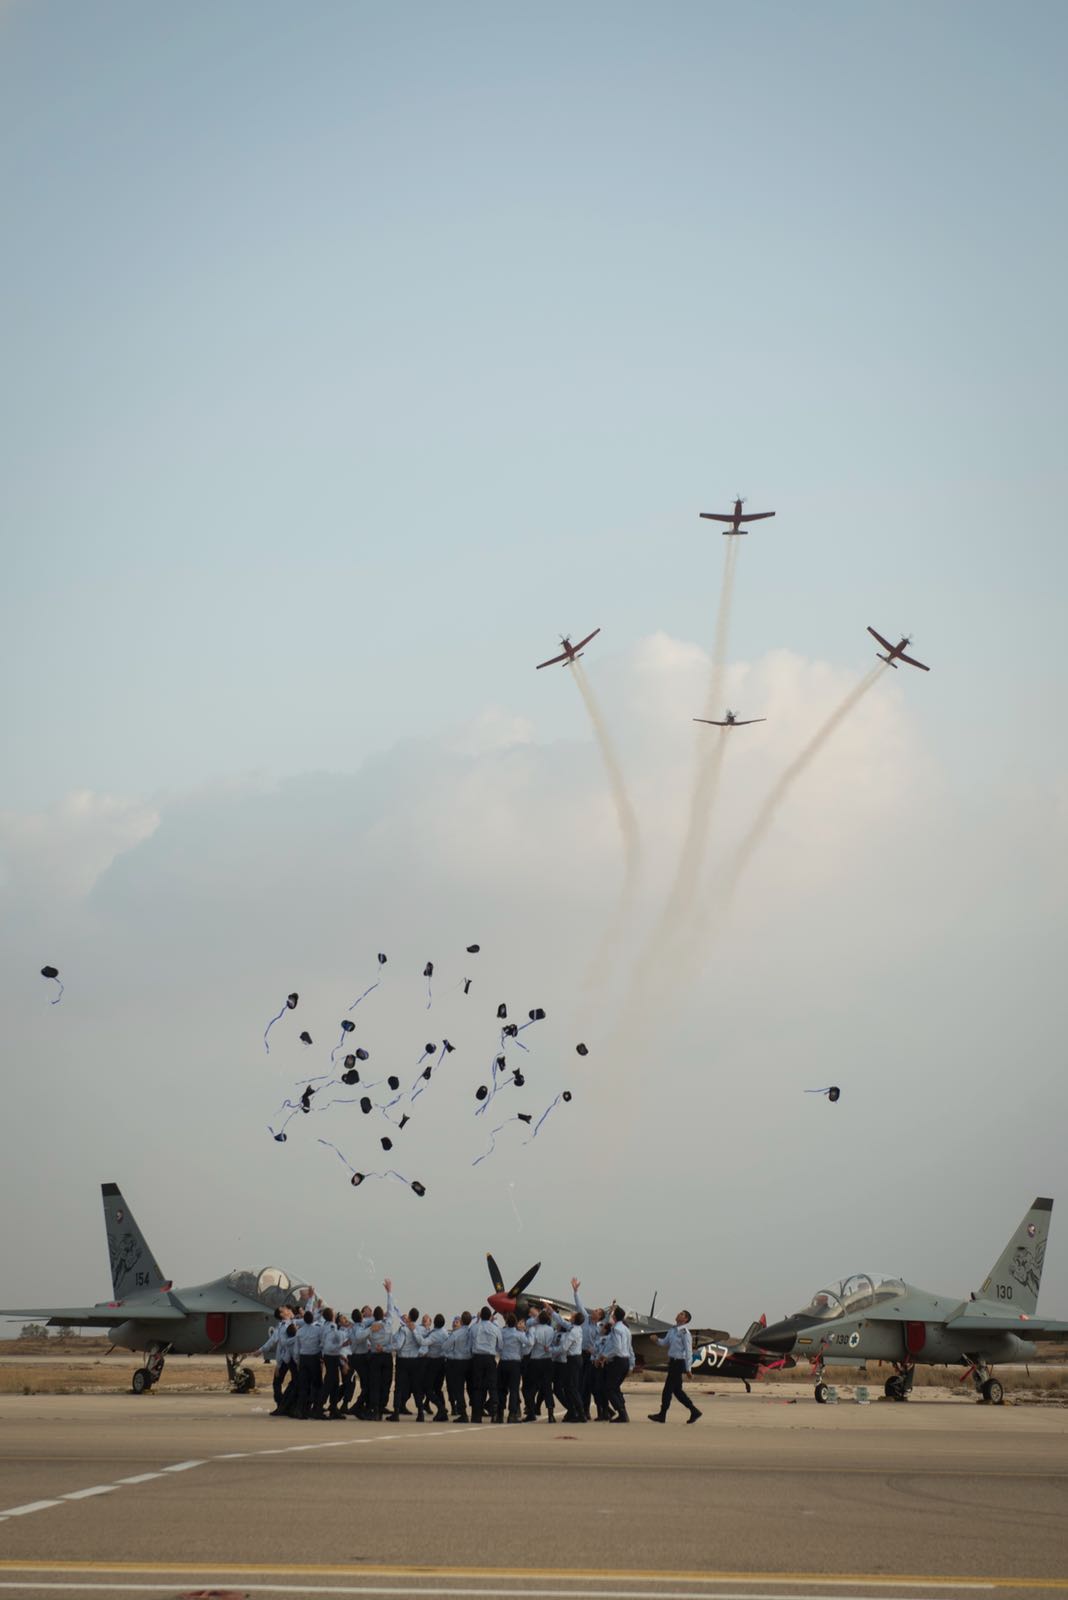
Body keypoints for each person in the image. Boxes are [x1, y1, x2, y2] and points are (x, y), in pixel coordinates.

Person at [649, 1310, 702, 1424]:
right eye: (679, 1313)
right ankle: (694, 1411)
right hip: (672, 1362)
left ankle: (662, 1415)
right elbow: (664, 1343)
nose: (678, 1314)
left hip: (679, 1363)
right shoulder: (672, 1330)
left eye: (682, 1314)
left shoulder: (685, 1333)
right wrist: (656, 1340)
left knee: (667, 1390)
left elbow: (688, 1352)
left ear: (686, 1320)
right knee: (677, 1391)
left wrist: (688, 1369)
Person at [388, 1301, 429, 1421]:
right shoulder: (421, 1330)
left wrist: (388, 1347)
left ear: (409, 1316)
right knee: (417, 1387)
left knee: (399, 1387)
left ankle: (396, 1412)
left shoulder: (404, 1329)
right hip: (415, 1361)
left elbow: (398, 1345)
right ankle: (420, 1412)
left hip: (403, 1360)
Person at [571, 1278, 604, 1421]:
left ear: (599, 1317)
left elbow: (600, 1344)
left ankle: (586, 1411)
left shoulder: (598, 1329)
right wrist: (575, 1291)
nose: (593, 1311)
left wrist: (595, 1353)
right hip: (580, 1356)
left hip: (590, 1358)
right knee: (578, 1384)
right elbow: (579, 1305)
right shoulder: (584, 1318)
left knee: (586, 1386)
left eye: (597, 1311)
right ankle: (582, 1410)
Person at [366, 1279, 396, 1421]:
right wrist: (389, 1292)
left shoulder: (371, 1327)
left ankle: (376, 1409)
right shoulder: (388, 1323)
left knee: (375, 1384)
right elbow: (391, 1308)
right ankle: (381, 1406)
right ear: (382, 1315)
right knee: (386, 1382)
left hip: (375, 1357)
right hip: (386, 1356)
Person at [469, 1306, 503, 1423]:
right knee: (492, 1387)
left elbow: (470, 1344)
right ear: (490, 1317)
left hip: (477, 1358)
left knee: (477, 1388)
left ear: (480, 1316)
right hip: (490, 1358)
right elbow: (500, 1346)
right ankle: (494, 1413)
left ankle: (476, 1415)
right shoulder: (495, 1328)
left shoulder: (474, 1328)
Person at [498, 1313, 532, 1422]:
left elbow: (497, 1344)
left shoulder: (502, 1332)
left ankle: (499, 1414)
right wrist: (522, 1352)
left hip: (503, 1362)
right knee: (514, 1390)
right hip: (515, 1364)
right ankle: (512, 1414)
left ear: (507, 1322)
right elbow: (529, 1343)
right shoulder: (519, 1334)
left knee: (502, 1389)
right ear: (516, 1323)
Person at [525, 1308, 556, 1422]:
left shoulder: (534, 1329)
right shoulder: (551, 1330)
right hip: (547, 1360)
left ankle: (531, 1412)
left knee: (531, 1388)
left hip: (535, 1360)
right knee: (547, 1387)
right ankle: (550, 1414)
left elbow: (530, 1344)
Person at [604, 1305, 634, 1423]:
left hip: (617, 1361)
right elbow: (629, 1348)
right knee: (615, 1388)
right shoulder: (626, 1329)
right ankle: (623, 1412)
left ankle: (621, 1413)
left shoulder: (616, 1329)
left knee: (610, 1388)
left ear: (614, 1317)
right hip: (625, 1361)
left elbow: (617, 1348)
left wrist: (605, 1356)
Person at [295, 1305, 325, 1419]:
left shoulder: (300, 1331)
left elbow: (296, 1349)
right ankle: (316, 1409)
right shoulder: (318, 1330)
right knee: (317, 1384)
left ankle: (301, 1410)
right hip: (314, 1358)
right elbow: (321, 1344)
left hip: (303, 1359)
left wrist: (298, 1361)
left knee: (304, 1386)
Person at [445, 1311, 473, 1422]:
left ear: (461, 1321)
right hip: (470, 1362)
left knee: (459, 1389)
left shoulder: (456, 1334)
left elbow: (445, 1346)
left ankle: (463, 1413)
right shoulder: (472, 1332)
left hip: (458, 1363)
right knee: (471, 1388)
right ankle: (476, 1412)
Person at [421, 1313, 449, 1422]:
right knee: (438, 1389)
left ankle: (441, 1408)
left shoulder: (434, 1335)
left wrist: (416, 1332)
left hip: (433, 1362)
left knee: (427, 1388)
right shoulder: (445, 1332)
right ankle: (442, 1413)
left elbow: (423, 1342)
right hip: (442, 1362)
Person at [320, 1308, 345, 1419]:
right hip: (331, 1357)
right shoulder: (332, 1327)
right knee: (330, 1383)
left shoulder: (325, 1325)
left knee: (334, 1382)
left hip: (329, 1356)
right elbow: (329, 1346)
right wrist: (341, 1345)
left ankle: (334, 1407)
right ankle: (319, 1406)